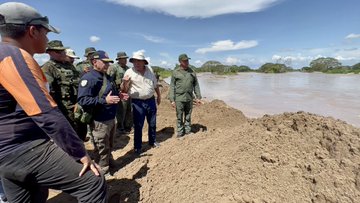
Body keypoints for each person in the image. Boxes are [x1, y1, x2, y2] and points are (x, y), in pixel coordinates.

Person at [0, 2, 106, 203]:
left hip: (8, 152)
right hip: (22, 147)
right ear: (32, 31)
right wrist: (79, 152)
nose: (48, 38)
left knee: (34, 195)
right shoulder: (15, 57)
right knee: (92, 180)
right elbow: (44, 111)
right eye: (46, 32)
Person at [78, 50, 128, 177]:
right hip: (99, 120)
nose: (107, 65)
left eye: (108, 62)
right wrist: (104, 100)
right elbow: (83, 100)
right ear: (94, 62)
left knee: (109, 144)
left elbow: (112, 93)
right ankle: (103, 171)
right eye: (104, 62)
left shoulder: (107, 77)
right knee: (101, 147)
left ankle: (109, 162)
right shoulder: (88, 78)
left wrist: (120, 95)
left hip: (110, 118)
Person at [42, 40, 87, 141]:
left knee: (82, 130)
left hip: (77, 104)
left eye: (63, 50)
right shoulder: (48, 68)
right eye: (59, 51)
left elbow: (78, 81)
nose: (63, 53)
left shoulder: (69, 65)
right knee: (70, 134)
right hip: (63, 108)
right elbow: (46, 91)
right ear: (50, 53)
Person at [121, 52, 161, 155]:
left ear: (144, 62)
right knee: (138, 125)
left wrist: (159, 96)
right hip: (137, 102)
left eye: (139, 61)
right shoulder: (129, 72)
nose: (136, 63)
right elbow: (124, 90)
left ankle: (152, 141)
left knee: (152, 123)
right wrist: (125, 82)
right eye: (134, 61)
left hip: (151, 100)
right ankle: (137, 147)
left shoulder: (150, 70)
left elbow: (155, 84)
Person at [168, 54, 202, 137]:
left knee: (188, 115)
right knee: (179, 116)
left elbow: (196, 85)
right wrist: (172, 100)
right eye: (184, 61)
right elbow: (172, 86)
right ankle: (180, 132)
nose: (187, 62)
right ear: (180, 62)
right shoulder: (175, 72)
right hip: (179, 98)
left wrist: (198, 97)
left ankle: (188, 131)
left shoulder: (192, 72)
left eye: (187, 60)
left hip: (189, 97)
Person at [107, 51, 133, 134]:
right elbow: (109, 80)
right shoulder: (114, 67)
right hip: (120, 92)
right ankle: (120, 128)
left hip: (128, 92)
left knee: (129, 110)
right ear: (119, 59)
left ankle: (127, 126)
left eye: (126, 58)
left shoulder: (128, 68)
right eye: (123, 59)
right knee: (121, 111)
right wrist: (121, 81)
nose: (125, 60)